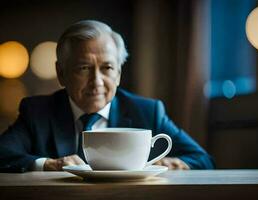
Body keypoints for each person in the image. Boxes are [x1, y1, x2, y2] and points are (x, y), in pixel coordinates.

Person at [0, 20, 215, 172]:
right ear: (61, 73)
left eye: (108, 68)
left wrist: (174, 164)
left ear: (119, 74)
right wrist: (47, 164)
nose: (97, 81)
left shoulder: (148, 112)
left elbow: (202, 160)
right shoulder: (37, 112)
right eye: (84, 68)